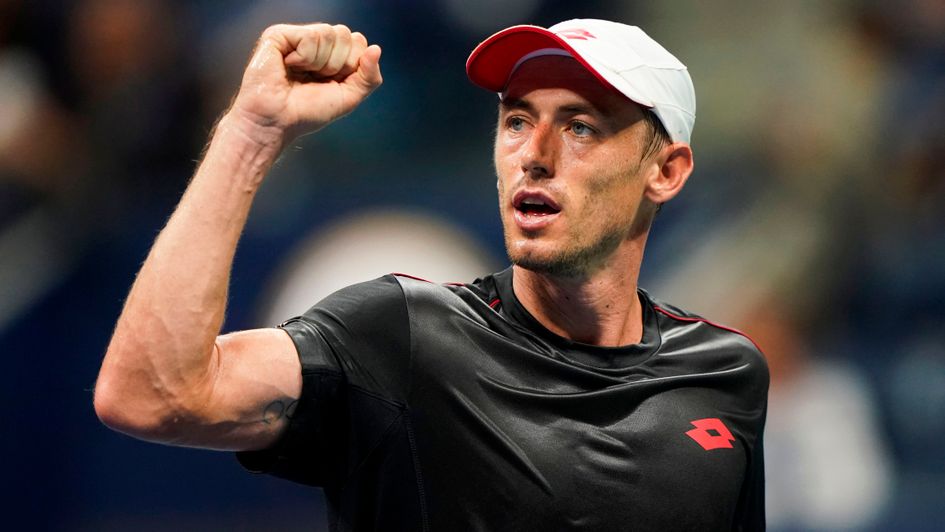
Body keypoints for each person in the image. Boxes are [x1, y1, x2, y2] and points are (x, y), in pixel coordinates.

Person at [94, 19, 768, 531]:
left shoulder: (726, 374)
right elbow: (150, 395)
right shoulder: (399, 335)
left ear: (665, 171)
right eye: (515, 120)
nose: (533, 154)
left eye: (581, 127)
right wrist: (251, 133)